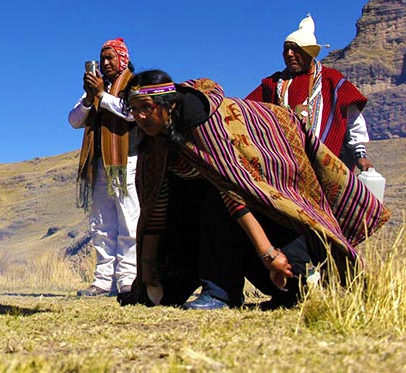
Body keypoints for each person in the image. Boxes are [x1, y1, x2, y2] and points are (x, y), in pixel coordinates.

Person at [121, 70, 389, 310]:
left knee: (282, 274)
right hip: (208, 218)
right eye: (134, 109)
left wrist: (269, 255)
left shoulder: (205, 123)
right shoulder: (153, 142)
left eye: (146, 107)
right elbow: (155, 206)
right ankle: (202, 282)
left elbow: (235, 193)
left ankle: (224, 291)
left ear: (170, 105)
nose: (140, 117)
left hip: (257, 209)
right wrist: (147, 277)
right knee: (165, 290)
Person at [247, 14, 374, 172]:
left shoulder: (331, 80)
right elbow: (246, 110)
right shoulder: (273, 84)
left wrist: (360, 154)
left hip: (322, 166)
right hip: (282, 165)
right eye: (286, 49)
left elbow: (353, 119)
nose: (289, 54)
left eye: (295, 49)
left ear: (309, 52)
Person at [69, 38, 140, 296]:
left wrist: (101, 95)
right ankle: (102, 280)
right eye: (102, 59)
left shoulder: (134, 83)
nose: (105, 63)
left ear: (122, 58)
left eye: (110, 58)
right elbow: (74, 120)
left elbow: (133, 112)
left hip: (126, 163)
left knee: (128, 221)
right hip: (99, 163)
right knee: (101, 223)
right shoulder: (96, 89)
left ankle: (128, 279)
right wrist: (90, 98)